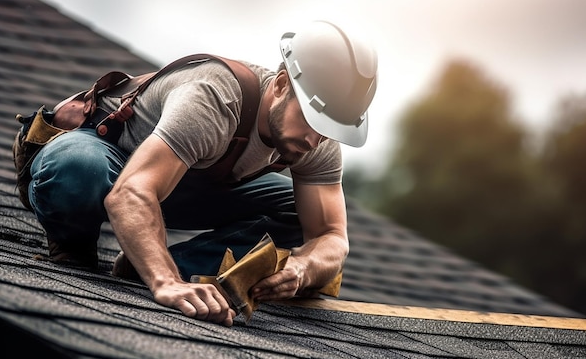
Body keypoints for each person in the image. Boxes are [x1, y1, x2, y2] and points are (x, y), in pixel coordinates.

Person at [27, 20, 378, 326]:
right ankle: (79, 247)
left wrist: (302, 269)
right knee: (75, 171)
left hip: (182, 184)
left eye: (329, 128)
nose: (316, 139)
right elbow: (130, 193)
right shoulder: (215, 100)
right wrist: (165, 283)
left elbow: (332, 236)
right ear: (283, 85)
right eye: (313, 120)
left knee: (298, 219)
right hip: (116, 165)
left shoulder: (316, 137)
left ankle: (150, 265)